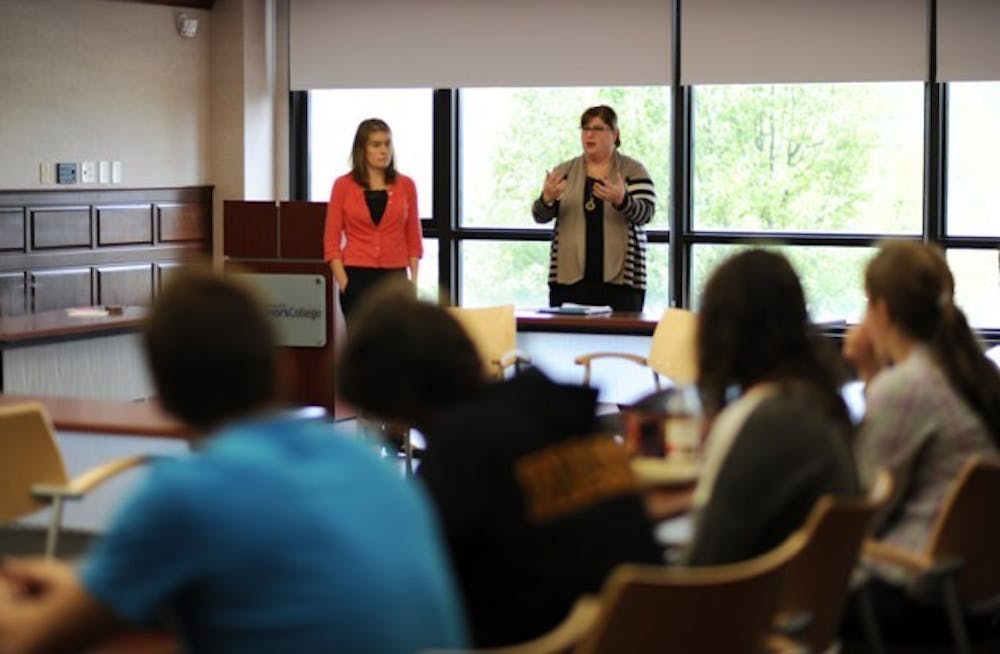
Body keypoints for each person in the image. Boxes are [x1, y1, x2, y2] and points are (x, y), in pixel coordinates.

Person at [0, 267, 466, 654]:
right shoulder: (366, 461)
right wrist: (85, 585)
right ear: (279, 367)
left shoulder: (185, 494)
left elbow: (28, 641)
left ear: (163, 396)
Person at [336, 280, 663, 647]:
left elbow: (412, 597)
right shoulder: (565, 417)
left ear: (397, 395)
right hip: (640, 634)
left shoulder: (463, 457)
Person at [840, 240, 1000, 643]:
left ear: (882, 311)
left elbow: (862, 509)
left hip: (919, 595)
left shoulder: (907, 386)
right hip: (977, 595)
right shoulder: (973, 371)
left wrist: (870, 374)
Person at [685, 249, 858, 565]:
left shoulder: (763, 420)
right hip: (806, 604)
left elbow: (702, 564)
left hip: (739, 609)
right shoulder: (819, 402)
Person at [532, 105, 656, 312]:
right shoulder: (564, 171)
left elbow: (646, 214)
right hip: (568, 282)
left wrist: (622, 199)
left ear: (614, 134)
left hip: (622, 284)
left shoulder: (633, 170)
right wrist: (547, 198)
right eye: (585, 128)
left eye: (598, 129)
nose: (589, 134)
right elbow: (539, 216)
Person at [324, 118, 422, 325]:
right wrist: (344, 283)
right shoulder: (343, 186)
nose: (384, 151)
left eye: (387, 143)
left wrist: (413, 281)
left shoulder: (406, 185)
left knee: (396, 344)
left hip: (395, 278)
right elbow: (331, 241)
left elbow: (414, 237)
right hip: (357, 277)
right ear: (362, 149)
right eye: (376, 145)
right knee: (362, 349)